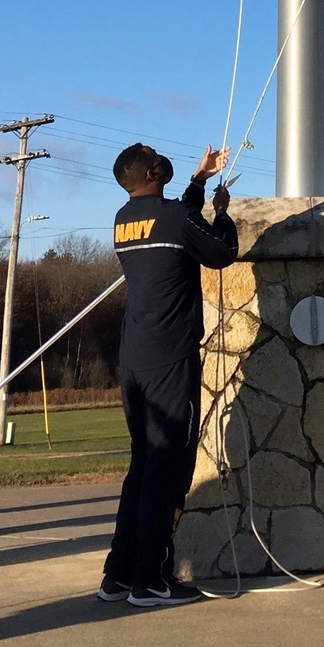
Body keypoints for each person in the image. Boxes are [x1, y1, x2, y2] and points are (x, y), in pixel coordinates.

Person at [98, 140, 238, 607]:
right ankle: (152, 580)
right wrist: (222, 213)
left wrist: (199, 180)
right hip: (170, 357)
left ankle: (118, 575)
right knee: (166, 468)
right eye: (158, 156)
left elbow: (175, 221)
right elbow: (220, 251)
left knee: (142, 466)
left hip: (134, 358)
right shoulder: (176, 219)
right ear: (154, 170)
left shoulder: (124, 219)